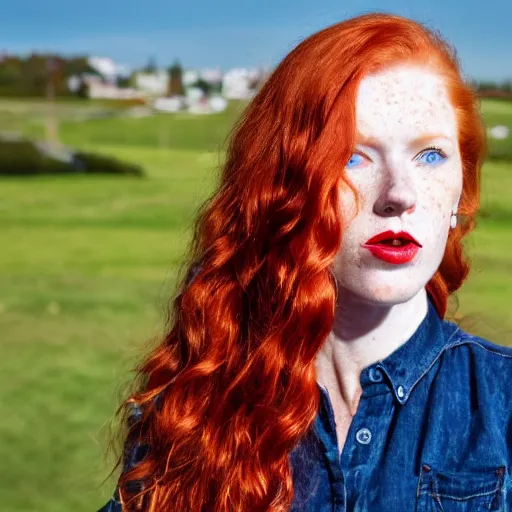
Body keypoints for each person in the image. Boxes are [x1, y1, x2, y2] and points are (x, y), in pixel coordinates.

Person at [97, 12, 512, 512]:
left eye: (430, 156)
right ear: (285, 190)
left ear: (461, 190)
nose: (399, 195)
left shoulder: (501, 403)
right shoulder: (195, 406)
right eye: (354, 157)